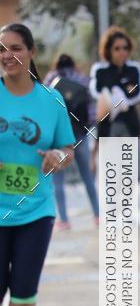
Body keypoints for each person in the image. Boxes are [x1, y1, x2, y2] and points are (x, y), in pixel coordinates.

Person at [0, 24, 75, 306]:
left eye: (14, 48)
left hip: (36, 210)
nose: (6, 56)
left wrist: (58, 157)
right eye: (1, 49)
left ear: (30, 52)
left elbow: (68, 149)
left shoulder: (51, 100)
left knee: (25, 288)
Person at [44, 54, 99, 229]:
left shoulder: (51, 78)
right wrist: (86, 127)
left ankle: (64, 220)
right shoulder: (83, 79)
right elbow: (91, 113)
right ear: (73, 64)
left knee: (58, 179)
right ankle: (97, 215)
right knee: (87, 177)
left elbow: (44, 105)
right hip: (78, 135)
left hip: (57, 136)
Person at [89, 27, 140, 169]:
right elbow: (96, 92)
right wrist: (114, 99)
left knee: (127, 170)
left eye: (125, 48)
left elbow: (138, 93)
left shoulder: (134, 69)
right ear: (109, 50)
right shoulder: (100, 71)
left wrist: (123, 100)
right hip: (108, 126)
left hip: (129, 125)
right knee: (110, 170)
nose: (122, 52)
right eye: (117, 48)